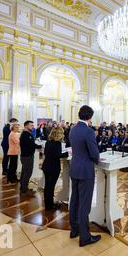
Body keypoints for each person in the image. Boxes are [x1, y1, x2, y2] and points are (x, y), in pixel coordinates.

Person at [69, 105, 101, 247]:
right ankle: (85, 237)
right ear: (90, 117)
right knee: (84, 204)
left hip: (75, 168)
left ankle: (74, 230)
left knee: (74, 200)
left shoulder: (73, 129)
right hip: (85, 171)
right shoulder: (88, 132)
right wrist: (98, 159)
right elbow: (94, 154)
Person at [42, 127, 69, 210]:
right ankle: (50, 206)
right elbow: (58, 155)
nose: (63, 135)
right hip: (53, 168)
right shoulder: (57, 143)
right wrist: (67, 153)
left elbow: (46, 153)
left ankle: (48, 204)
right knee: (51, 187)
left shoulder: (48, 142)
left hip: (46, 166)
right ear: (59, 134)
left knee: (47, 186)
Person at [20, 120, 42, 195]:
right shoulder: (25, 135)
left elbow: (31, 143)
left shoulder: (27, 134)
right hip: (27, 157)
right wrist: (40, 146)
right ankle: (24, 190)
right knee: (27, 173)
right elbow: (31, 144)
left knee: (24, 172)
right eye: (31, 125)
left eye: (33, 125)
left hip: (26, 156)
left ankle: (23, 187)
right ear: (26, 126)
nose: (33, 127)